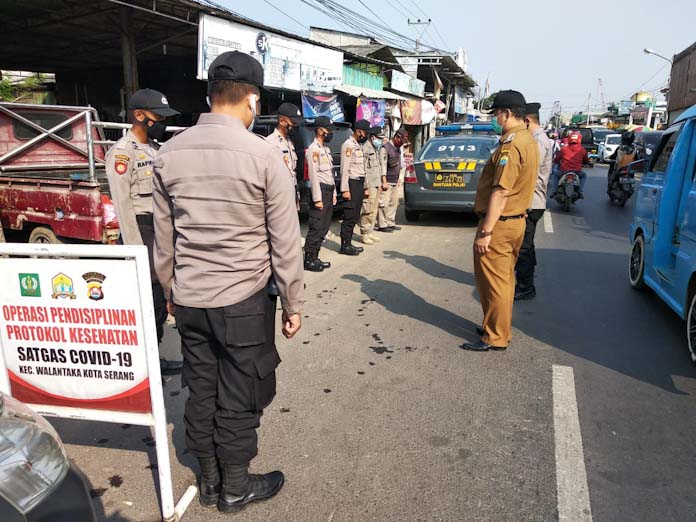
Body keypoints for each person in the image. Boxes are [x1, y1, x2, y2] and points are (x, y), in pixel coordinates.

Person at [152, 51, 304, 513]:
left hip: (191, 299)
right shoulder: (264, 156)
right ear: (253, 99)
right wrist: (294, 303)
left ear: (209, 95)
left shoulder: (167, 154)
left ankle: (211, 479)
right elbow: (285, 241)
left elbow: (164, 240)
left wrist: (171, 293)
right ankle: (235, 487)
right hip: (243, 302)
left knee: (202, 388)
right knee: (240, 395)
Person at [105, 88, 182, 375]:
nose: (160, 122)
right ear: (139, 115)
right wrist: (135, 252)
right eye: (157, 116)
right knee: (148, 299)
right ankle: (146, 366)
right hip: (141, 230)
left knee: (160, 299)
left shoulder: (154, 149)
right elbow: (122, 205)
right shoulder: (123, 153)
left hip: (160, 228)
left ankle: (155, 358)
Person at [462, 90, 538, 352]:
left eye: (496, 114)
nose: (495, 119)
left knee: (494, 282)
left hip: (501, 223)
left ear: (506, 113)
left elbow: (501, 190)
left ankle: (494, 336)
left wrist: (486, 231)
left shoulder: (511, 144)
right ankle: (496, 327)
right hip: (515, 221)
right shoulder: (527, 140)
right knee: (503, 281)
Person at [514, 102, 553, 301]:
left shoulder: (536, 140)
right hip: (533, 200)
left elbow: (528, 171)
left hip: (531, 201)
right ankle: (525, 280)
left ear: (527, 121)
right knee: (526, 244)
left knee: (524, 246)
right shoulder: (538, 138)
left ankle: (525, 286)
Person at [304, 116, 337, 272]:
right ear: (319, 130)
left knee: (324, 227)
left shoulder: (326, 149)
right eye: (327, 130)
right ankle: (309, 259)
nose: (330, 133)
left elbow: (330, 174)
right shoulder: (314, 149)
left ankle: (316, 257)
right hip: (320, 192)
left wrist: (335, 192)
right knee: (316, 227)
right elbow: (314, 176)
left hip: (329, 191)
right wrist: (317, 199)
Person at [339, 120, 370, 255]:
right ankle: (344, 245)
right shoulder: (348, 145)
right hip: (351, 183)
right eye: (365, 132)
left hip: (358, 184)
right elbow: (345, 169)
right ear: (358, 131)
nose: (366, 135)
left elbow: (362, 169)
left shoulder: (358, 145)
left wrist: (365, 187)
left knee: (355, 215)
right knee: (349, 215)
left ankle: (349, 242)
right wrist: (345, 189)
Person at [265, 102, 303, 209]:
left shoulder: (290, 142)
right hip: (278, 195)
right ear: (282, 121)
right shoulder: (271, 142)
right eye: (294, 123)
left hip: (292, 192)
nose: (296, 127)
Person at [377, 128, 409, 232]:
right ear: (396, 137)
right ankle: (382, 224)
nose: (401, 144)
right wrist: (384, 181)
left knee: (393, 203)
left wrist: (399, 178)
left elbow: (398, 164)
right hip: (386, 180)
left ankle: (390, 222)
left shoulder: (398, 148)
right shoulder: (385, 148)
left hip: (395, 180)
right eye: (401, 141)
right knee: (383, 203)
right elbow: (382, 166)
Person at [359, 127, 387, 245]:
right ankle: (364, 233)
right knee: (367, 209)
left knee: (374, 209)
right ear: (372, 137)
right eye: (378, 138)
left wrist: (381, 182)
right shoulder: (365, 148)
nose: (380, 141)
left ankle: (370, 231)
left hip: (376, 183)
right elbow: (363, 169)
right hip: (369, 183)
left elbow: (379, 167)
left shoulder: (376, 148)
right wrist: (365, 187)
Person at [550, 131, 588, 197]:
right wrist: (586, 163)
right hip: (577, 171)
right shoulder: (582, 150)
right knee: (584, 175)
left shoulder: (564, 149)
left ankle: (555, 191)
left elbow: (557, 159)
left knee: (555, 175)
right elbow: (586, 161)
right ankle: (580, 191)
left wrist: (554, 161)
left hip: (564, 171)